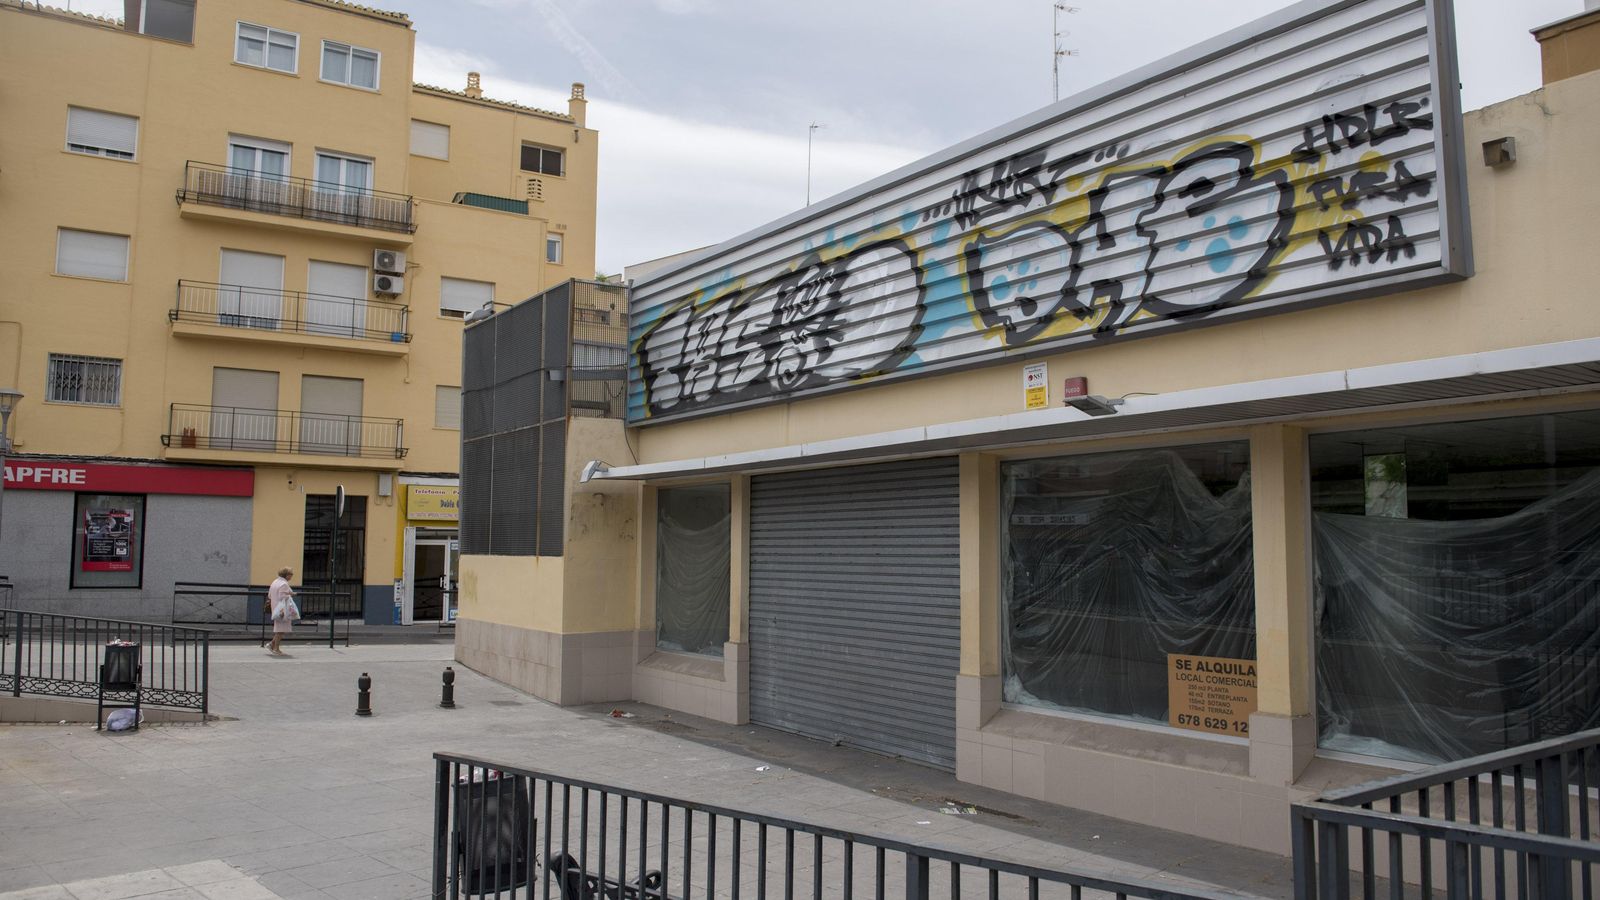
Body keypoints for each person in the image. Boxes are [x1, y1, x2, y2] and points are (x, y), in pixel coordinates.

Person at [267, 567, 299, 655]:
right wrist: (291, 594)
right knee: (280, 630)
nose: (291, 576)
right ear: (287, 575)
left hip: (276, 608)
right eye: (291, 575)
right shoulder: (284, 584)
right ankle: (276, 649)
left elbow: (269, 595)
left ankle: (271, 644)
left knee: (280, 629)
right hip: (282, 610)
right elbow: (282, 596)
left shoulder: (275, 582)